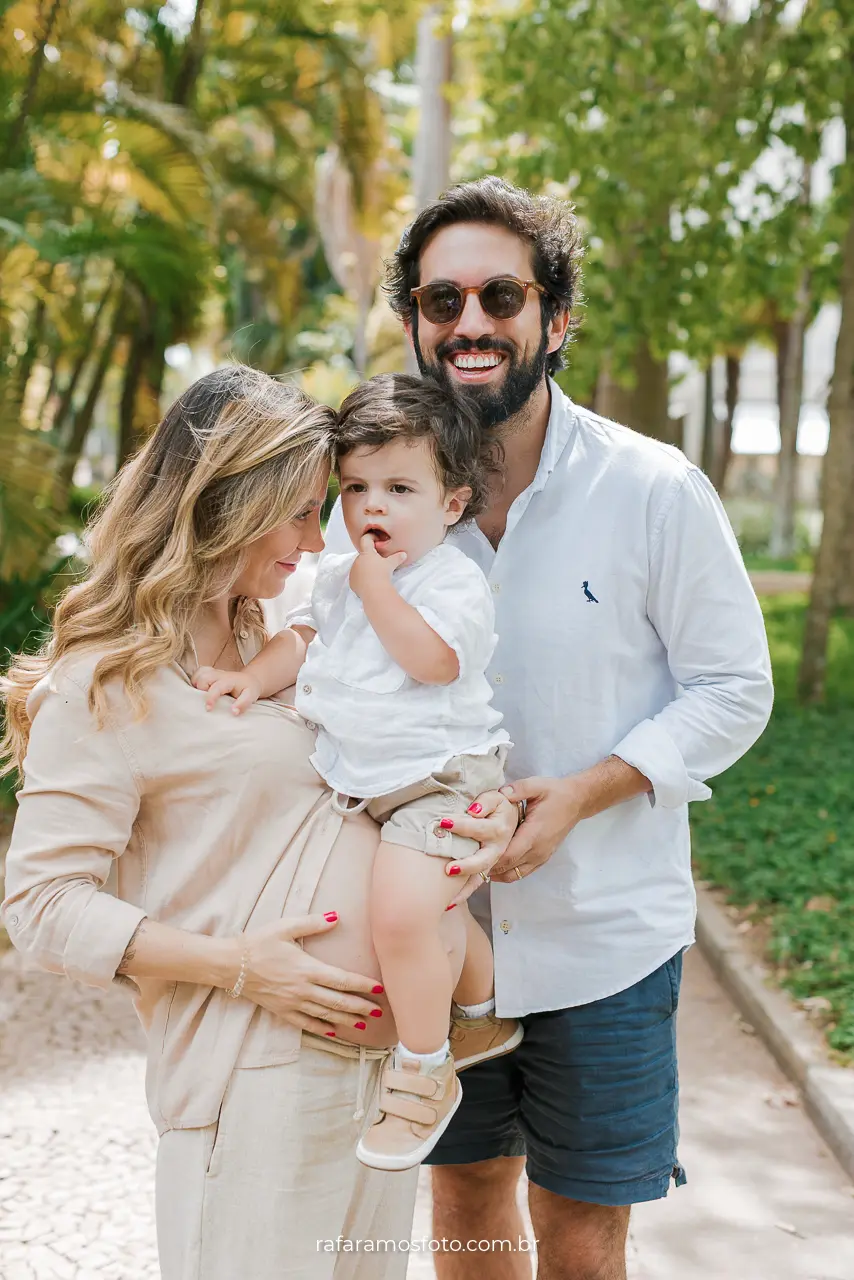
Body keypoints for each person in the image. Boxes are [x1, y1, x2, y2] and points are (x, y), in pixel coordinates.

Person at [322, 179, 775, 1279]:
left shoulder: (653, 489)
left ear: (552, 318)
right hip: (433, 937)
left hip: (603, 936)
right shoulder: (369, 501)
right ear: (413, 324)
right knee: (467, 1206)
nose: (468, 322)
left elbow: (732, 685)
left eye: (499, 295)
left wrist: (581, 791)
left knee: (580, 1236)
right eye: (440, 299)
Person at [0, 365, 518, 1280]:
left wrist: (480, 814)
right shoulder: (107, 684)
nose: (319, 537)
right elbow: (39, 906)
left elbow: (406, 742)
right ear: (221, 506)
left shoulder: (283, 628)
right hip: (252, 1078)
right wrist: (241, 967)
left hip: (379, 1079)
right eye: (298, 510)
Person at [193, 373, 523, 1173]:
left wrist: (377, 588)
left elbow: (435, 663)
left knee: (403, 919)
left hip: (441, 779)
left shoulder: (451, 582)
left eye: (400, 488)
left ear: (452, 504)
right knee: (429, 914)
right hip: (369, 780)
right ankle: (479, 1009)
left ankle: (423, 1069)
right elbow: (303, 639)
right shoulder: (338, 576)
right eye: (357, 488)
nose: (373, 507)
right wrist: (254, 678)